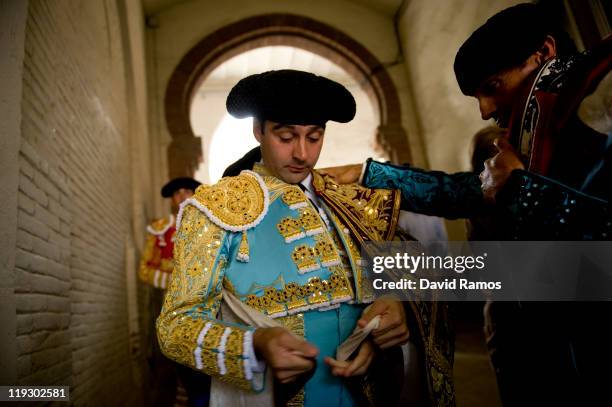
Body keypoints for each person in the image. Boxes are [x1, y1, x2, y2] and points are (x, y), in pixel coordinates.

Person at [327, 3, 612, 405]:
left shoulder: (602, 97)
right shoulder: (539, 127)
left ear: (544, 54)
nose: (485, 111)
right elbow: (469, 193)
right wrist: (369, 175)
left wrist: (517, 189)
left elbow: (586, 262)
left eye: (492, 87)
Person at [157, 70, 455, 406]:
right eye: (286, 137)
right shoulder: (213, 208)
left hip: (367, 392)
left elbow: (421, 272)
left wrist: (396, 309)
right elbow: (175, 326)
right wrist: (254, 344)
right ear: (258, 131)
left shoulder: (349, 200)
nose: (302, 154)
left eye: (314, 137)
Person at [139, 177, 212, 407]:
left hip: (205, 301)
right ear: (172, 199)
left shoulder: (208, 225)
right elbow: (144, 269)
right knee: (178, 353)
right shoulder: (160, 230)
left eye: (187, 191)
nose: (182, 197)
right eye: (177, 193)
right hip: (171, 303)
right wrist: (174, 281)